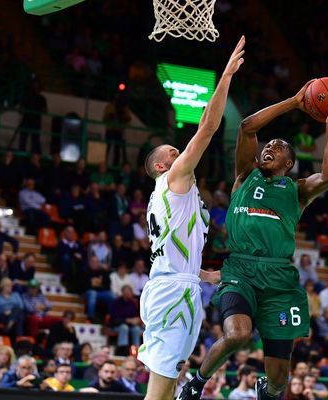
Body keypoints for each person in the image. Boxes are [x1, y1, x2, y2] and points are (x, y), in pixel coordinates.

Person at [178, 79, 328, 400]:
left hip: (278, 279)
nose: (270, 147)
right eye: (268, 145)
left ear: (290, 163)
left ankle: (266, 391)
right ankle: (195, 383)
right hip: (241, 271)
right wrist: (295, 101)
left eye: (279, 147)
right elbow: (246, 127)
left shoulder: (297, 190)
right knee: (237, 334)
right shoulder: (245, 175)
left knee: (279, 380)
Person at [137, 37, 244, 400]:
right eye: (172, 150)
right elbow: (208, 128)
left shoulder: (168, 195)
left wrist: (203, 273)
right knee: (160, 388)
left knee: (168, 384)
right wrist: (225, 76)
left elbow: (170, 250)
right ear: (162, 165)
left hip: (176, 285)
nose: (178, 148)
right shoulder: (173, 178)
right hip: (172, 292)